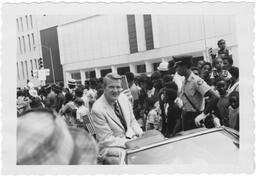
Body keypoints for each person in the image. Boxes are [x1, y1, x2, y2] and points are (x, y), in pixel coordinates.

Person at [91, 73, 143, 164]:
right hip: (111, 148)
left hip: (131, 140)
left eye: (118, 87)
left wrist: (140, 134)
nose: (116, 90)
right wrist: (130, 143)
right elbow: (106, 140)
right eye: (111, 87)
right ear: (104, 88)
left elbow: (132, 120)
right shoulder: (97, 109)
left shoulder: (123, 98)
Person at [17, 108, 98, 165]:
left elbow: (80, 122)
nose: (69, 119)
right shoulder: (84, 110)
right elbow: (89, 126)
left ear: (69, 116)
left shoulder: (76, 115)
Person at [173, 55, 219, 131]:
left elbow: (215, 97)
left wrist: (203, 114)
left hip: (195, 117)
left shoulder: (196, 80)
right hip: (186, 116)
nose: (176, 69)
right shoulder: (185, 81)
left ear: (184, 66)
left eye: (177, 66)